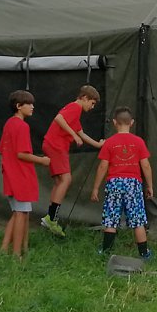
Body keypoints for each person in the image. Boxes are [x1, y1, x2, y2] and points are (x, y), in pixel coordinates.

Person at [91, 108, 155, 259]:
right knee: (137, 218)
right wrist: (150, 185)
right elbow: (145, 165)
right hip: (133, 184)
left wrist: (95, 188)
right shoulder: (138, 142)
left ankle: (105, 251)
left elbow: (102, 166)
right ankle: (144, 253)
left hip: (114, 183)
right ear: (131, 123)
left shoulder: (109, 143)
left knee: (111, 218)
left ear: (114, 122)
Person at [39, 85, 102, 236]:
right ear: (84, 98)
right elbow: (59, 118)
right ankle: (52, 218)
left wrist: (98, 144)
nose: (92, 107)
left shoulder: (75, 114)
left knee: (60, 182)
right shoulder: (75, 107)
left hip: (52, 145)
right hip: (56, 146)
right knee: (66, 179)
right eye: (92, 103)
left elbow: (81, 133)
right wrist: (73, 136)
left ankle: (50, 217)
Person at [0, 91, 51, 257]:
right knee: (21, 214)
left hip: (10, 174)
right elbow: (22, 153)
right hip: (19, 176)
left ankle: (4, 249)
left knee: (18, 212)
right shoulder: (22, 126)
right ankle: (16, 254)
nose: (32, 106)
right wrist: (42, 161)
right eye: (29, 103)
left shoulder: (9, 123)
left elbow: (2, 149)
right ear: (18, 106)